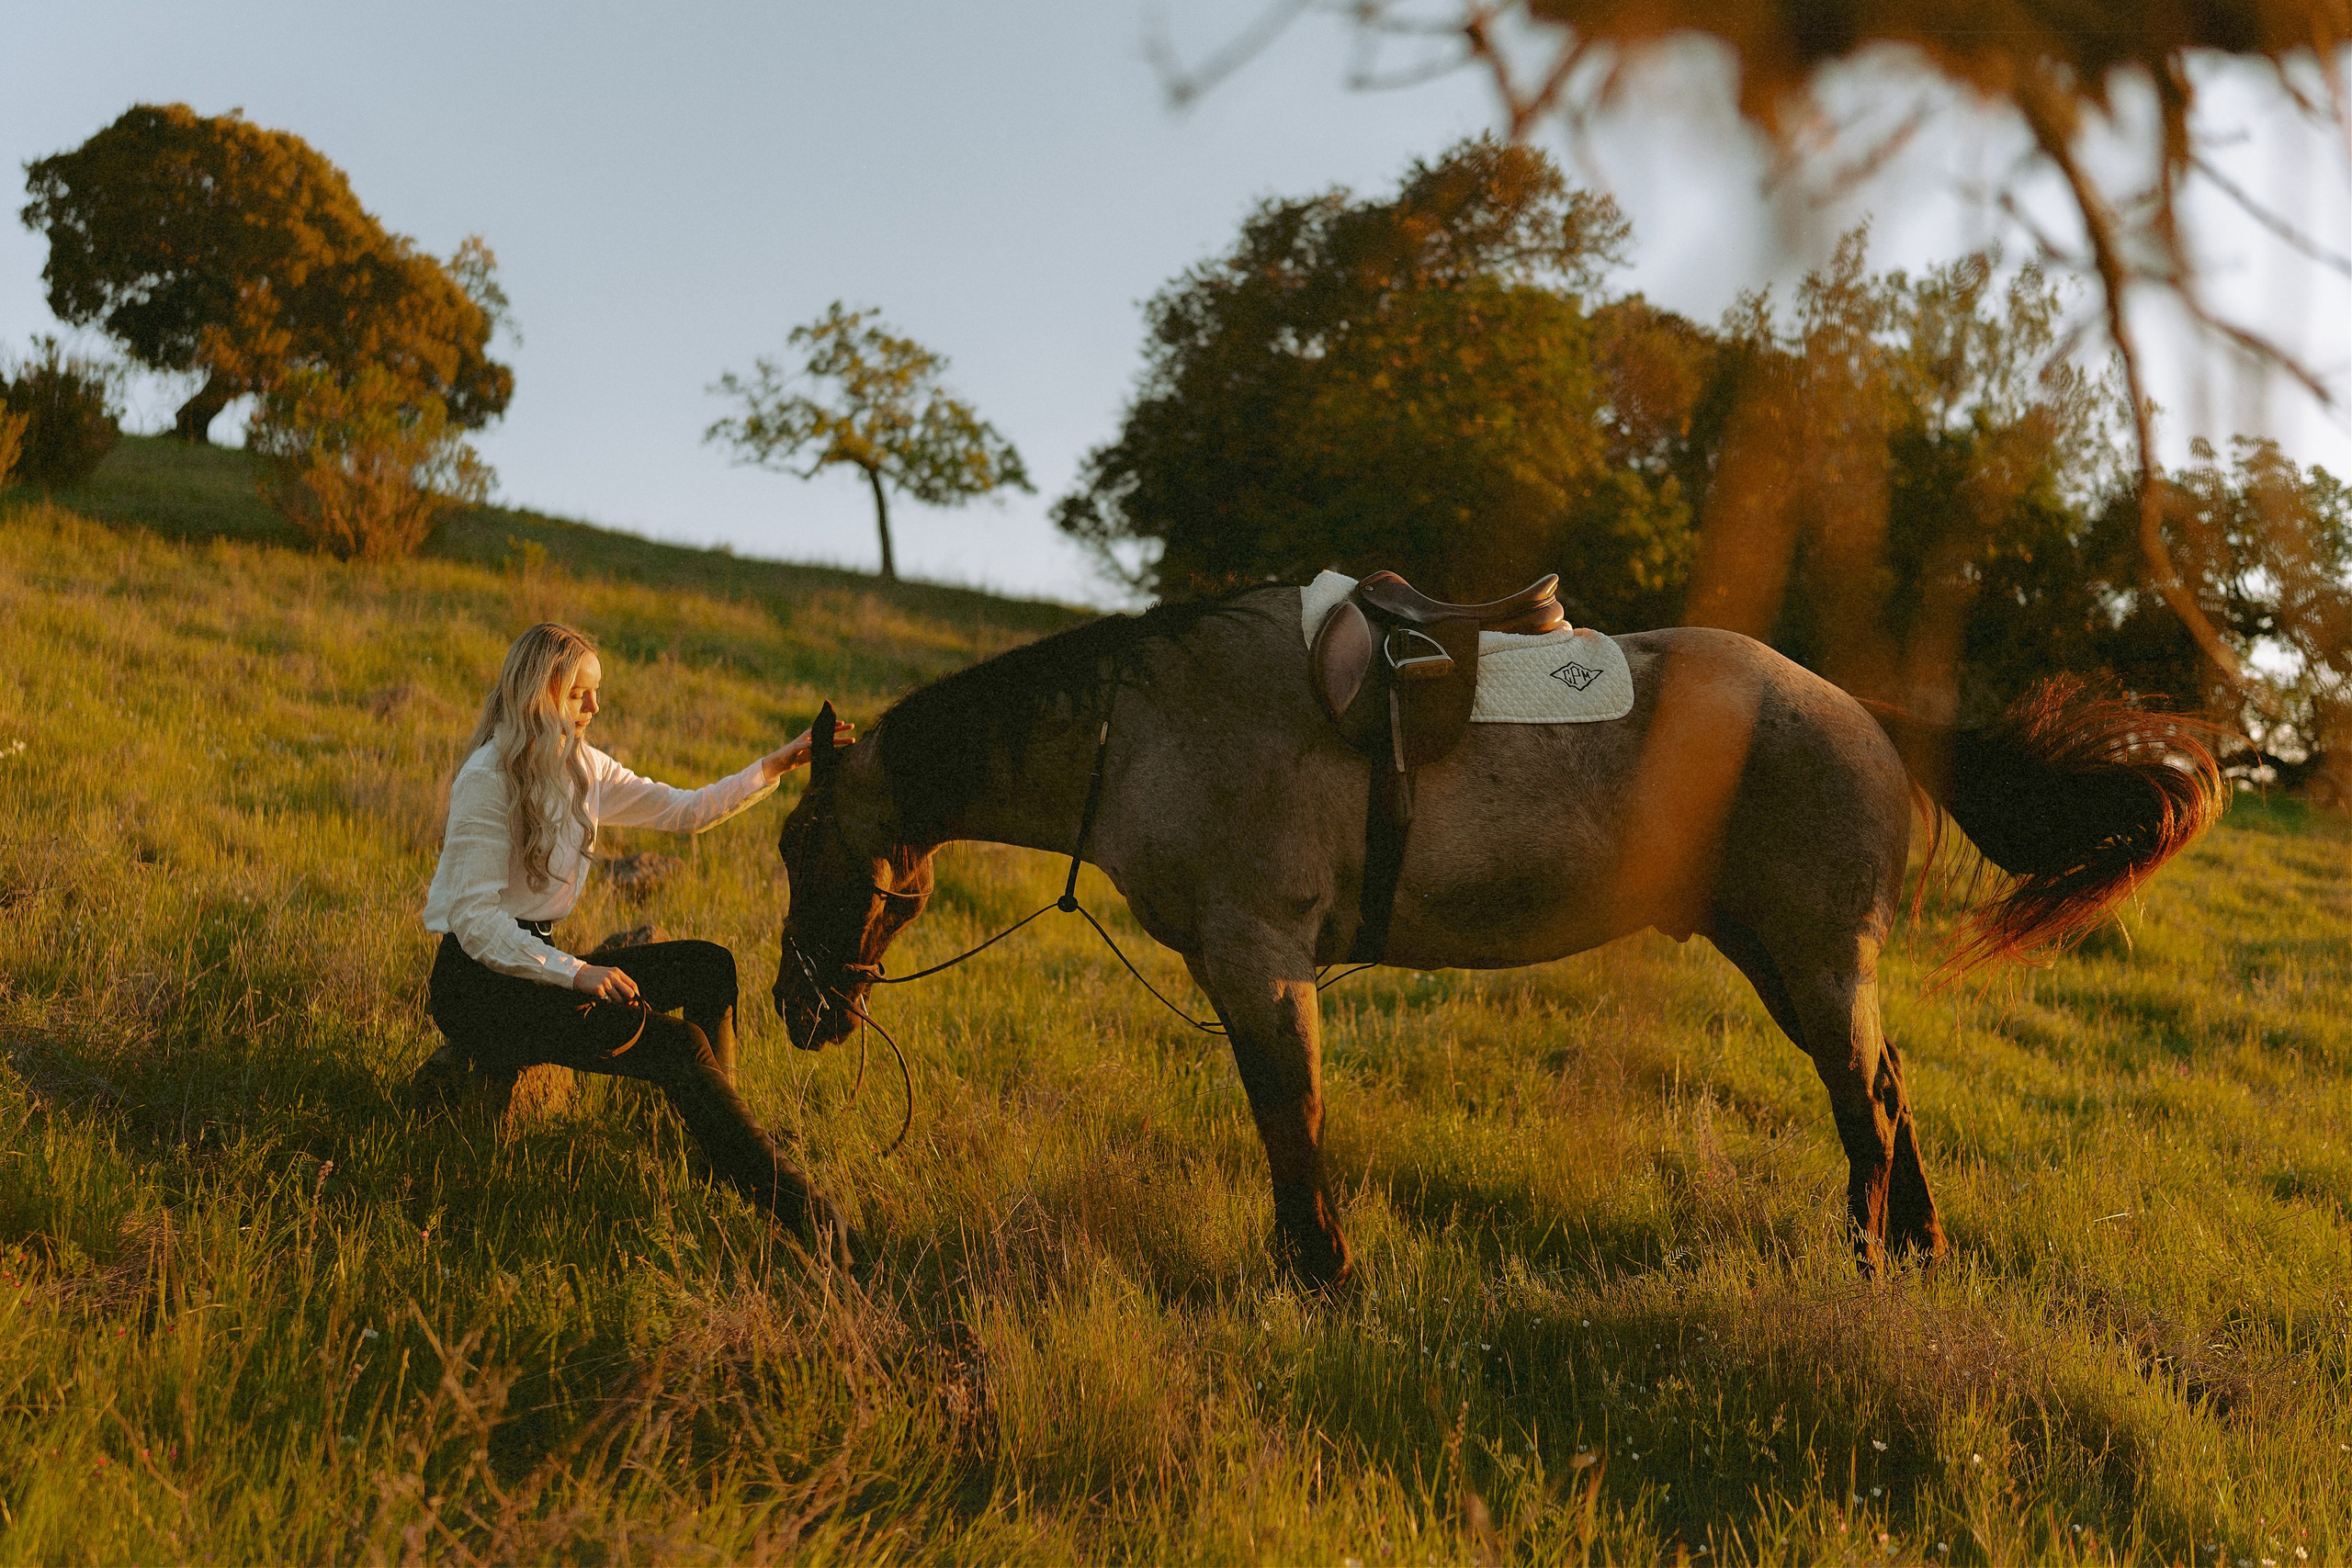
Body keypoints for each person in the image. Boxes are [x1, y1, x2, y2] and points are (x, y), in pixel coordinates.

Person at [421, 621, 852, 1257]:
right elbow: (477, 924)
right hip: (481, 986)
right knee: (678, 1045)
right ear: (540, 692)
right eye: (579, 694)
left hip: (540, 965)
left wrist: (774, 765)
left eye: (596, 693)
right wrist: (576, 972)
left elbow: (683, 810)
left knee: (709, 966)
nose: (595, 707)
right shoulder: (488, 777)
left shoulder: (582, 767)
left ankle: (717, 1149)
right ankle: (818, 1225)